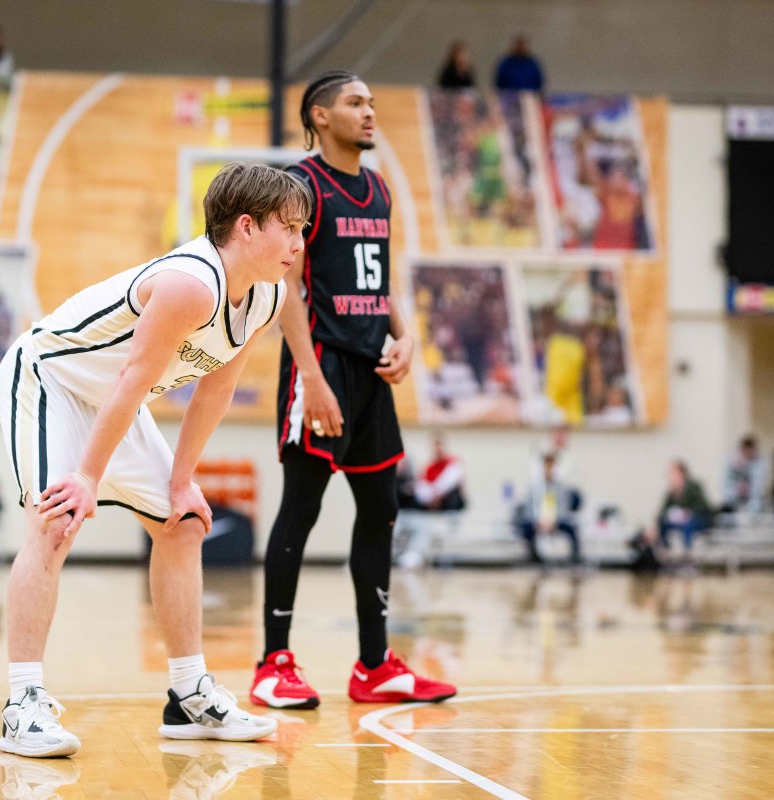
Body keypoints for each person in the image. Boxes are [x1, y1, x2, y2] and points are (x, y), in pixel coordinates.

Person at [0, 162, 308, 758]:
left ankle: (189, 696)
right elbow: (134, 381)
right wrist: (85, 478)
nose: (298, 242)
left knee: (183, 523)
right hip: (49, 380)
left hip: (115, 399)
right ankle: (22, 705)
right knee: (55, 519)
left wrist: (183, 480)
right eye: (288, 227)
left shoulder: (267, 295)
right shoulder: (191, 282)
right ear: (247, 226)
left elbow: (213, 388)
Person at [253, 70, 455, 710]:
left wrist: (407, 338)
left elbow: (378, 285)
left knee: (381, 512)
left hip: (372, 372)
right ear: (319, 116)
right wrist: (309, 378)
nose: (370, 112)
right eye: (355, 103)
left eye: (372, 101)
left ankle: (375, 665)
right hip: (321, 369)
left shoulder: (378, 190)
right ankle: (273, 662)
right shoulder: (299, 187)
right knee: (302, 511)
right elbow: (284, 287)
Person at [518, 451, 582, 566]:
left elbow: (564, 507)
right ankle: (533, 556)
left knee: (572, 529)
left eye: (552, 465)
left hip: (557, 520)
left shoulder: (561, 486)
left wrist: (553, 522)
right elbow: (529, 507)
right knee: (525, 528)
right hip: (538, 520)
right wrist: (538, 521)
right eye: (547, 465)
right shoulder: (533, 485)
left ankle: (574, 557)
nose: (549, 469)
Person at [650, 460, 711, 556]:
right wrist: (656, 525)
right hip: (680, 521)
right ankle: (665, 550)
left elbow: (704, 506)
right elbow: (662, 511)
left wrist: (689, 512)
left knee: (688, 525)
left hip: (699, 520)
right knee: (662, 523)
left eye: (673, 472)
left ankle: (688, 553)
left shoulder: (693, 487)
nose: (671, 476)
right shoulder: (671, 492)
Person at [413, 434, 466, 511]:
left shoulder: (452, 464)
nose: (437, 449)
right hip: (433, 502)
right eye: (435, 446)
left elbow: (451, 482)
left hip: (448, 501)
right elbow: (423, 487)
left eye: (439, 445)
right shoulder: (429, 467)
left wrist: (438, 495)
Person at [721, 435, 767, 514]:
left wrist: (747, 466)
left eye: (750, 451)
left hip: (752, 500)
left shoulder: (760, 463)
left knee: (755, 506)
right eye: (746, 451)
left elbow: (758, 486)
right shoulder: (731, 462)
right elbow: (725, 483)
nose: (748, 454)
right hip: (734, 499)